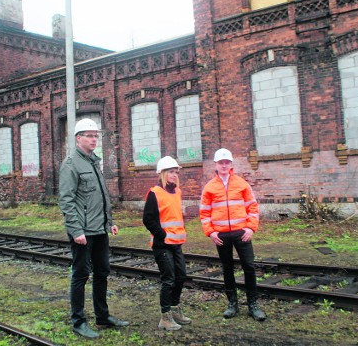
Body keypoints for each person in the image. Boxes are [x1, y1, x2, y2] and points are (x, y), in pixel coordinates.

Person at [58, 118, 130, 339]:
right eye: (89, 135)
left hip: (99, 229)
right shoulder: (71, 164)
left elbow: (101, 197)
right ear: (78, 138)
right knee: (80, 275)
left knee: (102, 272)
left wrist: (110, 222)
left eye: (96, 135)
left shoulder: (93, 162)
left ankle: (102, 315)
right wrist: (76, 230)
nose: (93, 139)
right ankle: (78, 322)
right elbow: (67, 200)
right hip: (83, 232)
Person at [199, 148, 266, 321]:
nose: (224, 165)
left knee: (249, 267)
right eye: (221, 162)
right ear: (216, 164)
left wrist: (251, 228)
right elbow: (204, 213)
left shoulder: (242, 184)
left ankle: (253, 306)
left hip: (241, 233)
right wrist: (211, 232)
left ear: (231, 164)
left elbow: (252, 207)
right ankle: (232, 304)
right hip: (221, 235)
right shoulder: (210, 187)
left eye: (226, 162)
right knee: (227, 268)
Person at [142, 156, 191, 331]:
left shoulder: (177, 191)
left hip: (176, 243)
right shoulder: (155, 193)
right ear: (163, 173)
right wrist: (162, 235)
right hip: (162, 245)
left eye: (176, 172)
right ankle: (165, 317)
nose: (174, 174)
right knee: (168, 279)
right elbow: (147, 219)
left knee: (181, 276)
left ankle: (175, 309)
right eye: (171, 171)